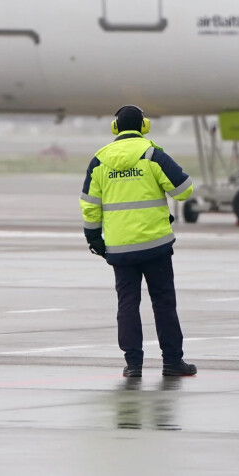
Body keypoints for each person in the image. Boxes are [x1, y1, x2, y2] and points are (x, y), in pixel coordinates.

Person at [79, 105, 197, 378]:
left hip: (120, 249)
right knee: (164, 303)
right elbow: (184, 190)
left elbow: (89, 205)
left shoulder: (100, 160)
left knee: (128, 304)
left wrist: (94, 237)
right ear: (144, 126)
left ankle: (133, 365)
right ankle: (172, 362)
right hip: (155, 245)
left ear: (115, 128)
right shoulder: (152, 155)